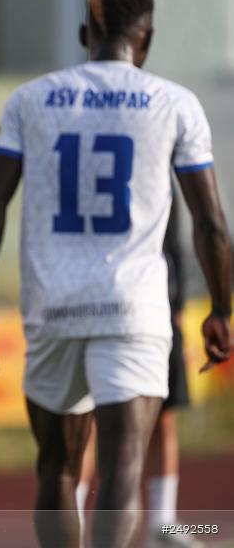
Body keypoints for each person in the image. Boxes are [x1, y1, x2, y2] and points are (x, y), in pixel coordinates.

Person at [0, 0, 232, 548]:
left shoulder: (30, 99)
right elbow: (211, 224)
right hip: (133, 310)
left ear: (86, 35)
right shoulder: (175, 103)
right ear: (147, 39)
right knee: (121, 470)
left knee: (57, 470)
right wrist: (222, 310)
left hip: (52, 307)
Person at [76, 193, 201, 548]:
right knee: (87, 420)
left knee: (163, 415)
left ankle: (163, 525)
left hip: (153, 308)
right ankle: (72, 524)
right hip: (93, 304)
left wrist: (177, 309)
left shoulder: (159, 159)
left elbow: (172, 240)